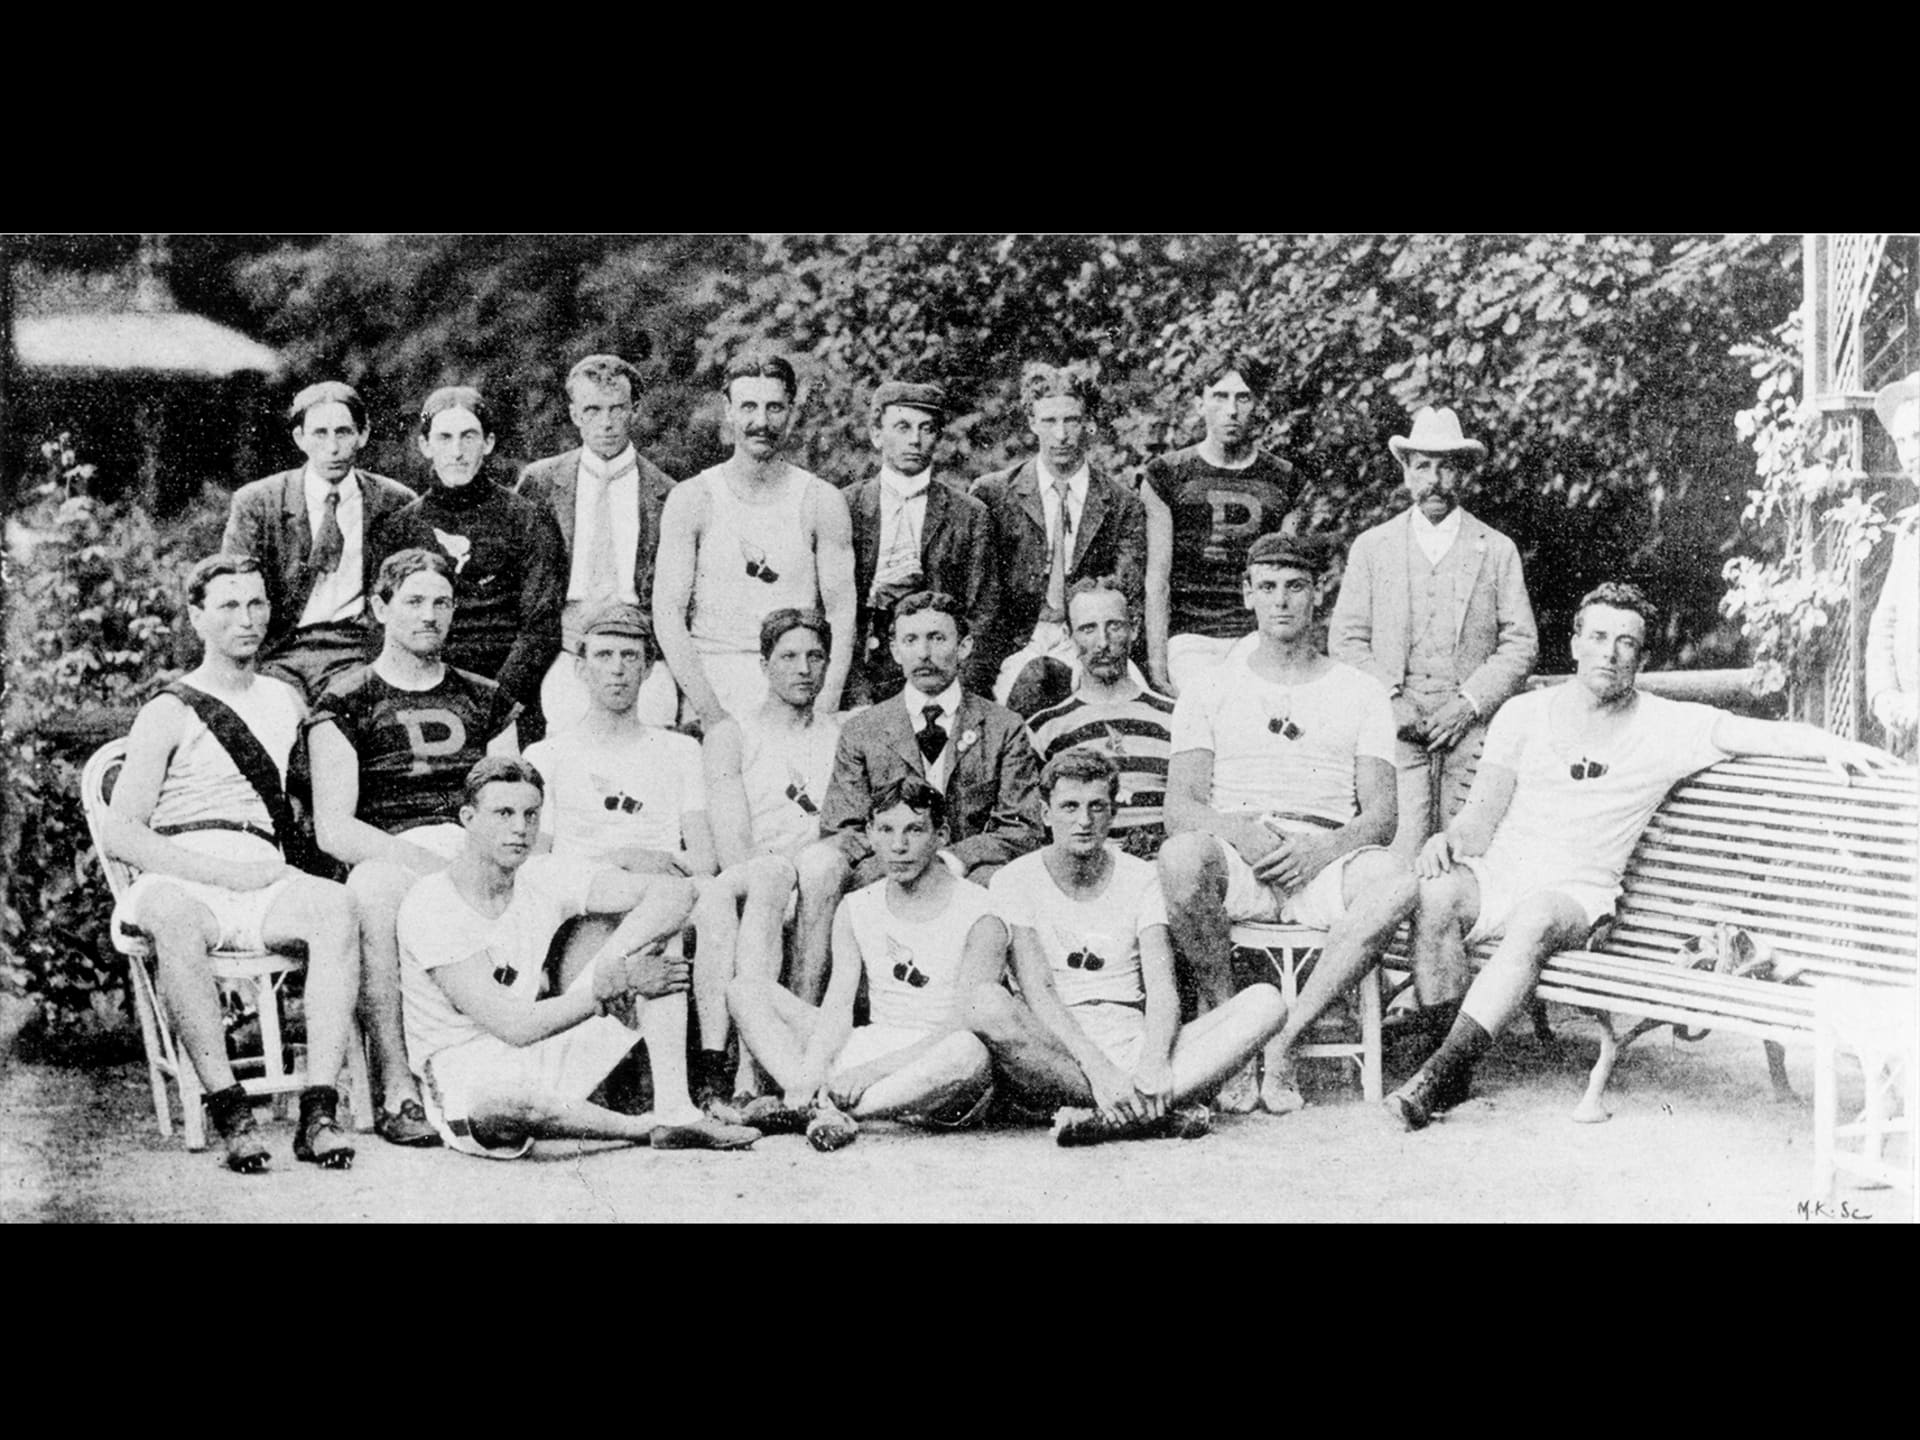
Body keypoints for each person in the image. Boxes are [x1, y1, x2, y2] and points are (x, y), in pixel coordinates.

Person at [1383, 581, 1895, 1131]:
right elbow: (1479, 820)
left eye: (1626, 643)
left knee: (1535, 917)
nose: (1610, 652)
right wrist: (1450, 841)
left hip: (1578, 897)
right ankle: (1446, 1064)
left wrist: (1832, 744)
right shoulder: (1524, 713)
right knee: (1436, 895)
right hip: (1504, 876)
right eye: (1599, 637)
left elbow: (1755, 733)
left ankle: (1439, 1073)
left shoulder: (1666, 724)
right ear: (1575, 643)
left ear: (1641, 659)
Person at [100, 556, 362, 1172]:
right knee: (173, 916)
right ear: (197, 617)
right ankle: (231, 1112)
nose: (246, 620)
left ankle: (318, 1113)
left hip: (264, 870)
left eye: (256, 604)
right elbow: (121, 832)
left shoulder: (287, 700)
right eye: (228, 606)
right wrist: (223, 875)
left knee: (335, 906)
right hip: (183, 870)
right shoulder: (170, 709)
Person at [1156, 534, 1414, 1116]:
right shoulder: (1210, 687)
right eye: (1267, 587)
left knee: (1396, 881)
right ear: (1247, 593)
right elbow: (1181, 809)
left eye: (1295, 586)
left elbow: (1382, 816)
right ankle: (1235, 1036)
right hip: (1243, 854)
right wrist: (1239, 833)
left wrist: (1321, 852)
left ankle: (1286, 1038)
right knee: (1180, 858)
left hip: (1323, 857)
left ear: (1317, 594)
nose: (1281, 600)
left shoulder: (1361, 690)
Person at [395, 757, 758, 1155]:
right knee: (506, 1104)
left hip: (540, 1052)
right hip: (466, 1076)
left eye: (531, 814)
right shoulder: (432, 902)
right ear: (468, 818)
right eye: (504, 813)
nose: (520, 828)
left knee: (655, 936)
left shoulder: (541, 875)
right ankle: (646, 1127)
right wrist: (621, 982)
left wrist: (613, 963)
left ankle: (676, 1111)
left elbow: (674, 893)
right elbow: (514, 1027)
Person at [308, 547, 521, 1147]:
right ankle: (397, 1086)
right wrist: (428, 866)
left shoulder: (487, 698)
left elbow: (513, 799)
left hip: (477, 847)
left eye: (442, 603)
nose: (430, 615)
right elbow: (334, 828)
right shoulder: (345, 701)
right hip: (395, 851)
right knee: (371, 891)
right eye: (414, 601)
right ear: (380, 608)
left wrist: (475, 857)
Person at [966, 750, 1283, 1144]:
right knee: (986, 1004)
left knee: (1267, 1003)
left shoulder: (1140, 878)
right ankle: (1153, 1114)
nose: (1084, 821)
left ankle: (1105, 1118)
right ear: (1046, 813)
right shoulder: (1015, 880)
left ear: (1113, 813)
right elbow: (1039, 991)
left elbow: (1162, 989)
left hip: (1131, 1040)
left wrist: (1153, 1062)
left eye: (1097, 807)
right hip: (1058, 1049)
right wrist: (1099, 1070)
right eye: (1070, 807)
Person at [726, 778, 1002, 1151]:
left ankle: (825, 1109)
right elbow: (837, 1008)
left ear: (942, 834)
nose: (898, 846)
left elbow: (965, 1022)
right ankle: (811, 1098)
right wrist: (811, 1071)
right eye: (886, 830)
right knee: (744, 989)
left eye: (914, 830)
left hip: (934, 1060)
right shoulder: (857, 906)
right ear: (870, 833)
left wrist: (871, 1071)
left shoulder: (979, 911)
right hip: (870, 1045)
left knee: (969, 1052)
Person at [796, 590, 1043, 1000]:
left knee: (998, 884)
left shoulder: (1003, 726)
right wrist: (902, 854)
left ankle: (991, 1011)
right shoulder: (863, 730)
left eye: (937, 638)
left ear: (964, 646)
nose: (924, 653)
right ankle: (808, 1007)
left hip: (967, 872)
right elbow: (843, 827)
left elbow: (1022, 828)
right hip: (887, 867)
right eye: (911, 640)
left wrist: (950, 859)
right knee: (826, 865)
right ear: (895, 650)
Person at [1329, 404, 1537, 860]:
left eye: (1447, 468)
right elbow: (1345, 639)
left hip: (1470, 730)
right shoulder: (1373, 547)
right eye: (1423, 467)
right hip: (1396, 730)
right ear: (1406, 472)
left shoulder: (1496, 549)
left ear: (1463, 474)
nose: (1435, 481)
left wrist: (1468, 705)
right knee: (1398, 856)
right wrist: (1389, 699)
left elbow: (1521, 642)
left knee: (1462, 855)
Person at [652, 350, 857, 726]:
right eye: (748, 406)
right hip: (714, 685)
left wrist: (823, 711)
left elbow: (842, 614)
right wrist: (710, 715)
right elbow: (668, 615)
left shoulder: (821, 500)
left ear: (791, 411)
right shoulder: (693, 498)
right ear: (728, 409)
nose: (761, 421)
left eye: (774, 408)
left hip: (797, 687)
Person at [691, 608, 843, 1105]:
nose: (804, 669)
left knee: (809, 872)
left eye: (815, 657)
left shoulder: (840, 735)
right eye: (789, 657)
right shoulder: (732, 735)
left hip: (819, 883)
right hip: (752, 877)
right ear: (764, 664)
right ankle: (750, 1069)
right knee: (770, 876)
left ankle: (775, 1060)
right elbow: (734, 848)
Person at [522, 604, 714, 991]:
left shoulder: (681, 750)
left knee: (680, 927)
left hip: (665, 898)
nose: (617, 668)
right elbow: (535, 864)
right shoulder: (546, 755)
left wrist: (654, 864)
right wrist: (619, 860)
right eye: (604, 655)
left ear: (648, 669)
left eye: (630, 656)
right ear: (580, 668)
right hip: (588, 906)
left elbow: (705, 859)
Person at [373, 386, 566, 737]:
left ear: (488, 443)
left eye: (469, 436)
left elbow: (540, 628)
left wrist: (494, 702)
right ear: (425, 445)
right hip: (422, 685)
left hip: (507, 692)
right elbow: (387, 625)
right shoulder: (400, 527)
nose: (457, 452)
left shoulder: (527, 519)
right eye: (444, 438)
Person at [517, 353, 681, 731]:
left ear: (635, 410)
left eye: (617, 409)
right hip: (564, 648)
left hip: (639, 649)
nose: (606, 423)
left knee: (655, 730)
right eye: (592, 410)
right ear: (574, 414)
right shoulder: (541, 483)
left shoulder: (667, 493)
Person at [971, 363, 1149, 711]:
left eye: (1072, 420)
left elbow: (1126, 592)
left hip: (1089, 640)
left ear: (1088, 423)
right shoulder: (992, 494)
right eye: (1049, 421)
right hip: (1014, 644)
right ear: (1032, 422)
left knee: (1132, 710)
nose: (1061, 434)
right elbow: (981, 595)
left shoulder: (1121, 503)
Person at [222, 382, 416, 699]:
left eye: (343, 432)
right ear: (300, 438)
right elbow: (233, 589)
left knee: (346, 711)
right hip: (280, 650)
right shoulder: (259, 502)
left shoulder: (394, 502)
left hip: (359, 650)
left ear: (363, 434)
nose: (333, 447)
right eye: (320, 434)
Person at [1137, 355, 1303, 694]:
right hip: (1191, 636)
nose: (1231, 410)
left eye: (1243, 398)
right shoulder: (1166, 476)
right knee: (1207, 697)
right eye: (1220, 397)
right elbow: (1157, 581)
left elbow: (1285, 578)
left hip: (1256, 634)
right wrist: (1157, 666)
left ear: (1257, 405)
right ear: (1200, 403)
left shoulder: (1286, 480)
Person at [845, 380, 997, 703]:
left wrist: (955, 694)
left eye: (926, 429)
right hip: (863, 670)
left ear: (938, 437)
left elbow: (983, 615)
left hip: (940, 670)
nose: (915, 440)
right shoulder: (846, 507)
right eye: (902, 427)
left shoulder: (969, 514)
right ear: (876, 434)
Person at [1024, 577, 1176, 858]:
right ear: (1069, 635)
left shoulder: (1174, 717)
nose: (1102, 643)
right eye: (1088, 629)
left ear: (1134, 629)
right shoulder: (1045, 729)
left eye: (1114, 626)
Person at [1866, 372, 1918, 753]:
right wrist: (1884, 695)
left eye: (1918, 436)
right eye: (1901, 441)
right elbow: (1884, 625)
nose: (1910, 453)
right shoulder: (1911, 531)